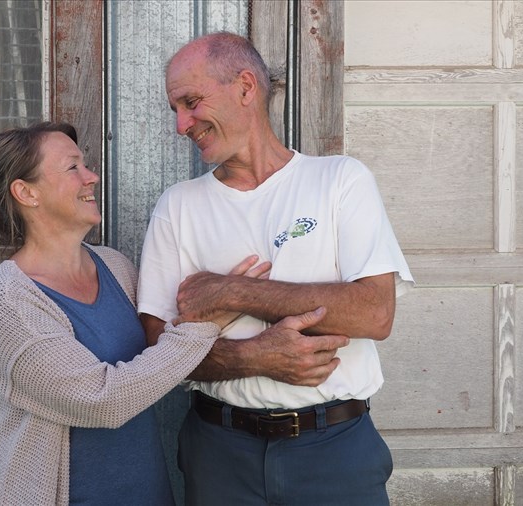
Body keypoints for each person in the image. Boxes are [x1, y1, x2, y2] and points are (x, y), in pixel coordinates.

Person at [0, 121, 317, 505]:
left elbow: (165, 353)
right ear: (26, 192)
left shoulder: (115, 267)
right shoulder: (7, 300)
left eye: (85, 165)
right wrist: (207, 322)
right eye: (73, 167)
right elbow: (101, 399)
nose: (91, 177)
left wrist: (228, 299)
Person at [137, 32, 414, 506]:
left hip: (334, 448)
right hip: (219, 451)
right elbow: (157, 350)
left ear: (246, 87)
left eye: (191, 102)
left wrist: (232, 292)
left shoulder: (340, 180)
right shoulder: (178, 206)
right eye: (175, 110)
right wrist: (255, 357)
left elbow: (374, 313)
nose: (182, 124)